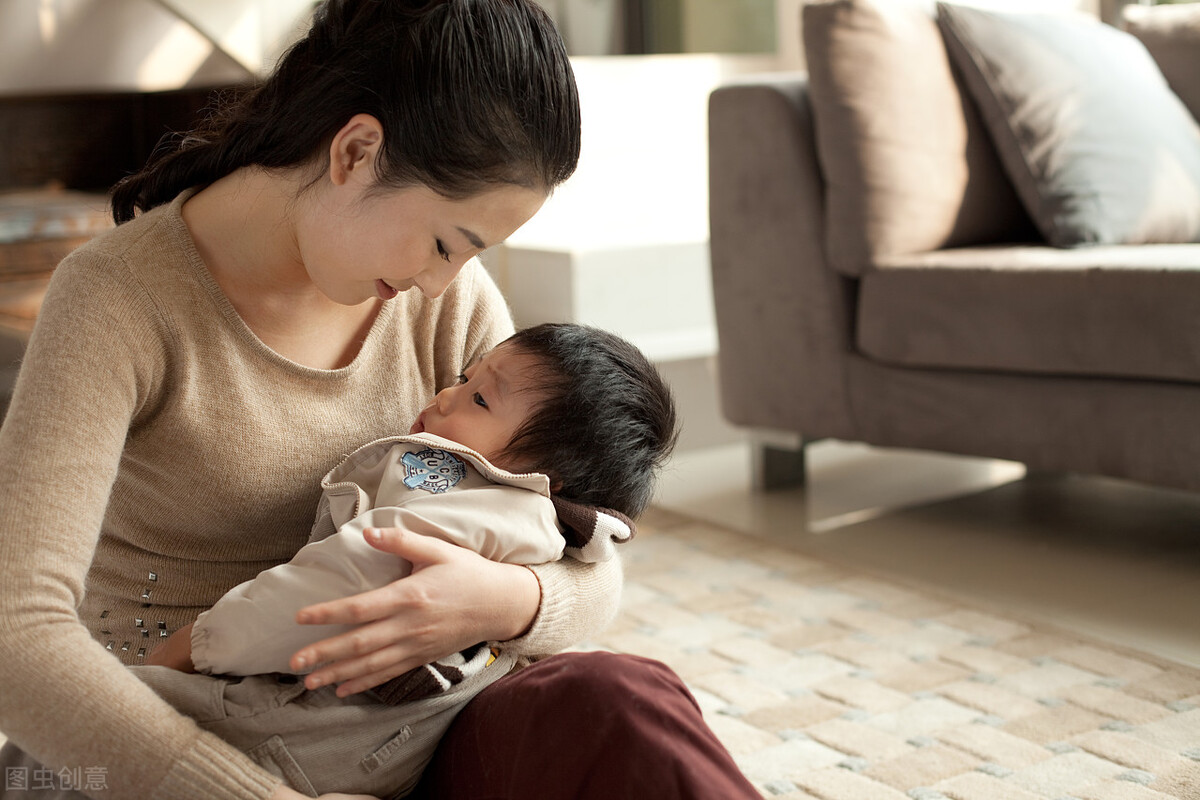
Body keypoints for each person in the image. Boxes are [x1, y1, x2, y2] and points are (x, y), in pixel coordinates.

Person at [0, 1, 762, 798]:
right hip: (174, 752)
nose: (442, 281)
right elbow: (18, 637)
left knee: (623, 704)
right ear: (356, 152)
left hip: (399, 737)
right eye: (444, 243)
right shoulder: (118, 300)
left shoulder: (444, 300)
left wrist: (510, 597)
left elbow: (588, 546)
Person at [132, 322, 676, 798]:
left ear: (547, 477)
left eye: (479, 400)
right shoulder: (520, 511)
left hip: (298, 722)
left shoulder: (479, 506)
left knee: (86, 726)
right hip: (368, 743)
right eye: (465, 380)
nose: (444, 395)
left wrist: (197, 644)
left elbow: (333, 583)